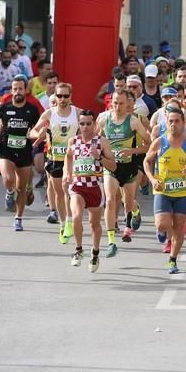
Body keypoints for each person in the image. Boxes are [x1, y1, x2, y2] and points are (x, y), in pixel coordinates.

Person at [144, 105, 186, 274]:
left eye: (177, 121)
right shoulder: (159, 141)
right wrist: (152, 179)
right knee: (163, 224)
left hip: (183, 192)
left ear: (183, 123)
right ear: (166, 123)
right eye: (170, 121)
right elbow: (147, 162)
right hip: (163, 190)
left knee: (179, 228)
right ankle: (161, 231)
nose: (173, 124)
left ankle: (173, 260)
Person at [96, 90, 151, 257]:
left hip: (129, 167)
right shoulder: (104, 120)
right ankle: (111, 241)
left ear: (127, 104)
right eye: (115, 103)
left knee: (128, 202)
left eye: (121, 103)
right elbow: (97, 141)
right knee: (111, 199)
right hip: (111, 168)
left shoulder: (133, 121)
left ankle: (135, 210)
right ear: (110, 103)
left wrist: (132, 151)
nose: (118, 107)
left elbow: (149, 145)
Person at [63, 110, 116, 271]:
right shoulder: (73, 141)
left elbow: (113, 166)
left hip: (95, 187)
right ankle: (78, 251)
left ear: (94, 124)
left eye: (88, 123)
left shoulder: (102, 142)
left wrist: (98, 157)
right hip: (78, 186)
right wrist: (67, 173)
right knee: (77, 216)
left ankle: (95, 253)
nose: (85, 127)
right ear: (78, 125)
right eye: (82, 123)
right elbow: (68, 156)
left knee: (94, 224)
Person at [29, 82, 79, 243]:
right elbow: (32, 133)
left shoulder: (77, 113)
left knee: (70, 191)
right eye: (59, 96)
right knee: (60, 193)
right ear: (55, 97)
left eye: (66, 95)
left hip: (74, 160)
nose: (62, 99)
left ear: (71, 96)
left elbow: (91, 130)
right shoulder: (49, 114)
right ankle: (63, 224)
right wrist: (40, 133)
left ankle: (70, 222)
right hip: (55, 159)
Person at [0, 77, 41, 230]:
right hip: (7, 148)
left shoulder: (32, 110)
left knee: (21, 188)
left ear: (25, 90)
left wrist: (34, 136)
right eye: (14, 89)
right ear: (11, 90)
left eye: (20, 89)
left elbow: (38, 128)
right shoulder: (4, 108)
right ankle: (9, 191)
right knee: (8, 179)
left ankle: (18, 218)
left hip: (25, 151)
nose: (17, 92)